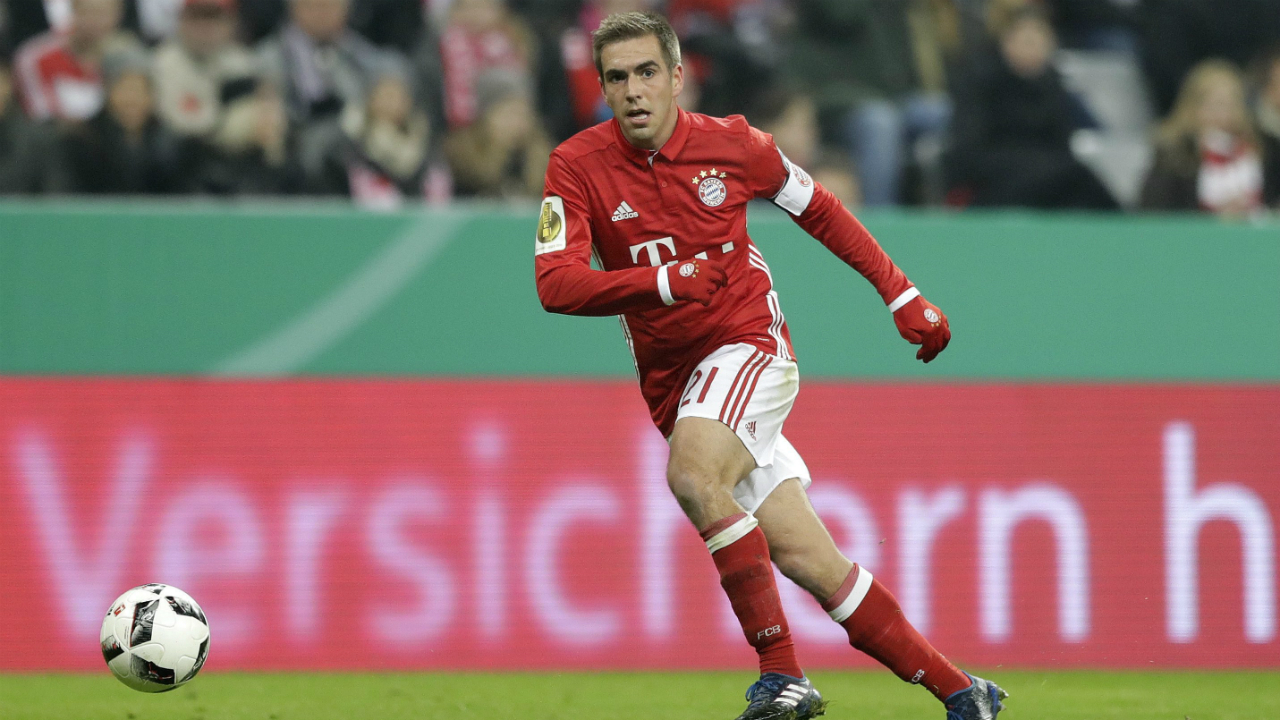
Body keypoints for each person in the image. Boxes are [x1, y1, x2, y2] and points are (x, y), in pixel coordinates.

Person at [533, 11, 1006, 720]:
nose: (633, 91)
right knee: (808, 559)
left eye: (647, 72)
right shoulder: (576, 165)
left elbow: (820, 209)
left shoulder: (733, 145)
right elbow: (555, 284)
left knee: (692, 475)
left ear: (676, 75)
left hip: (748, 343)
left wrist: (901, 293)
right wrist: (661, 283)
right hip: (675, 383)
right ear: (602, 87)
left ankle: (782, 674)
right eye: (617, 78)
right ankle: (964, 692)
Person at [946, 7, 1117, 209]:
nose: (1034, 48)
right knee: (1075, 178)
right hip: (995, 181)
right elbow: (969, 149)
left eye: (1040, 40)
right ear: (1006, 42)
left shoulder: (1053, 85)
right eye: (1026, 40)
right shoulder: (981, 80)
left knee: (1081, 184)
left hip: (1050, 178)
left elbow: (1064, 142)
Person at [1139, 59, 1268, 217]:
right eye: (1216, 105)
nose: (1224, 115)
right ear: (1192, 107)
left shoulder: (1262, 149)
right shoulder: (1173, 156)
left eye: (1232, 104)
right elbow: (1152, 213)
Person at [13, 0, 139, 121]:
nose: (96, 21)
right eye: (90, 12)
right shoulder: (36, 57)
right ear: (73, 10)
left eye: (105, 13)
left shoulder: (126, 57)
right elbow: (40, 116)